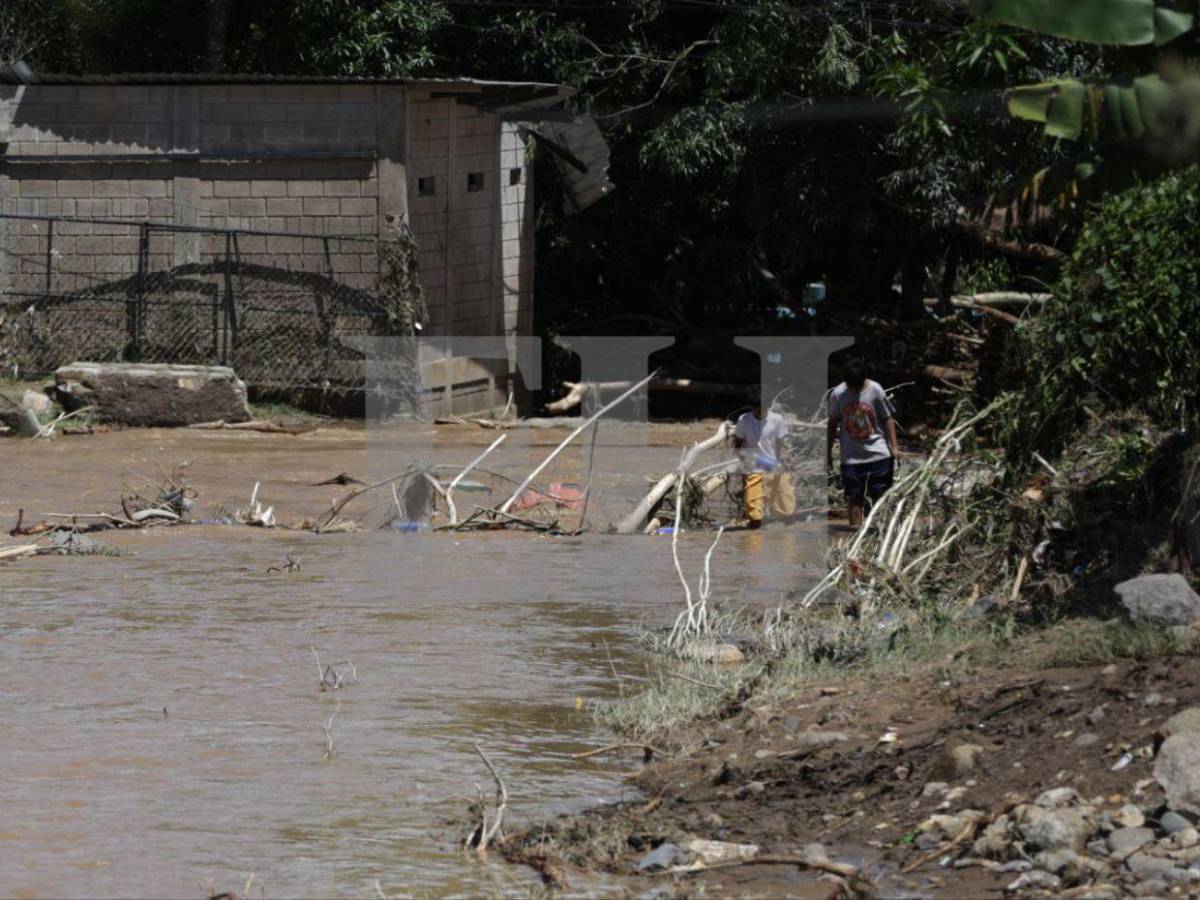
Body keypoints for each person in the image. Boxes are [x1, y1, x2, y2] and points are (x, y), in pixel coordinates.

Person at [826, 357, 901, 529]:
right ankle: (853, 539)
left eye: (857, 386)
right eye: (851, 386)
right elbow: (832, 423)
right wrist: (828, 454)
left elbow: (888, 418)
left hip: (879, 455)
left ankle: (883, 534)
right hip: (851, 459)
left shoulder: (875, 389)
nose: (854, 390)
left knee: (881, 496)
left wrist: (894, 447)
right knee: (854, 496)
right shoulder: (837, 394)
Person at [733, 395, 796, 529]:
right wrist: (745, 460)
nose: (760, 412)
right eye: (757, 409)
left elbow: (781, 445)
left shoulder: (777, 419)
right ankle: (754, 545)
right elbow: (737, 445)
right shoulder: (744, 420)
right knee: (755, 517)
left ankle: (788, 544)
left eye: (763, 409)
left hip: (775, 468)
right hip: (754, 470)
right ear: (752, 408)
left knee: (788, 512)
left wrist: (784, 460)